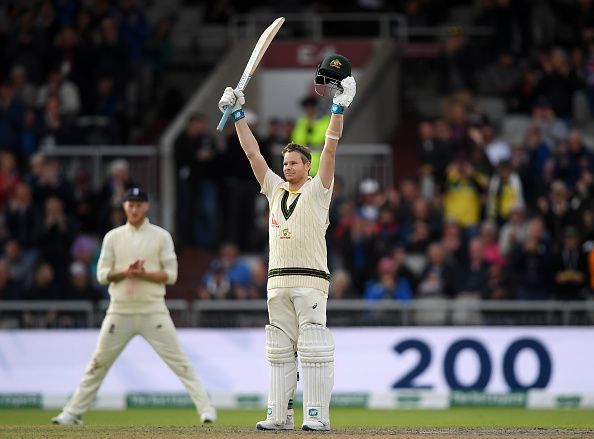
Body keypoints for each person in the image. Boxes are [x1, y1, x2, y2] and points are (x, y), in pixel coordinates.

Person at [217, 54, 356, 432]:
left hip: (311, 280)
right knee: (278, 351)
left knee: (313, 348)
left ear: (307, 167)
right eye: (286, 162)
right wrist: (238, 116)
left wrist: (338, 107)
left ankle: (317, 417)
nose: (288, 167)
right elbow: (251, 154)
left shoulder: (318, 191)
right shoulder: (275, 188)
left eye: (294, 162)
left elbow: (330, 147)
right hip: (277, 281)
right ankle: (279, 416)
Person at [51, 187, 216, 425]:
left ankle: (206, 410)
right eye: (130, 204)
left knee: (180, 363)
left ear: (147, 207)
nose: (134, 208)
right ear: (124, 207)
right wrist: (126, 272)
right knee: (98, 363)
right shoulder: (113, 237)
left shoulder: (161, 236)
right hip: (120, 311)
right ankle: (72, 413)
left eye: (139, 204)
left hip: (153, 311)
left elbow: (170, 276)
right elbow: (101, 275)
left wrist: (142, 274)